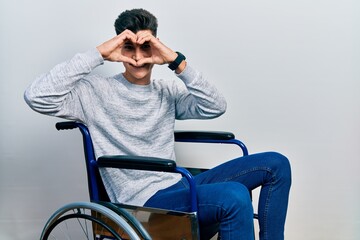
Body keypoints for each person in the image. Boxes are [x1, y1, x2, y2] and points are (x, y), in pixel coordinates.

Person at [24, 8, 291, 240]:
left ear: (156, 46)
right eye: (129, 48)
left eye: (146, 47)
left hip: (177, 184)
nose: (138, 57)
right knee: (232, 195)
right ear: (118, 49)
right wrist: (98, 54)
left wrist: (176, 60)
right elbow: (36, 96)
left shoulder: (167, 91)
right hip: (142, 200)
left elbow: (215, 106)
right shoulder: (94, 91)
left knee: (276, 163)